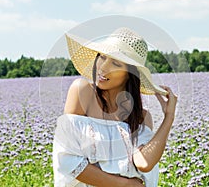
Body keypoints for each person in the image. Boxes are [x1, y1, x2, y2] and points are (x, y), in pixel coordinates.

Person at [53, 27, 177, 187]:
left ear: (130, 73)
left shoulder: (141, 117)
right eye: (102, 57)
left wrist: (169, 117)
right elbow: (68, 161)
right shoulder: (82, 92)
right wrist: (125, 184)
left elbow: (144, 164)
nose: (103, 67)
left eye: (115, 63)